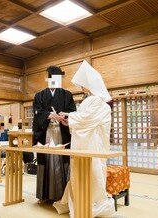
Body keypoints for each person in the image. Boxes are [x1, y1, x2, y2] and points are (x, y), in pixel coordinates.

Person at [53, 60, 116, 217]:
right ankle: (82, 202)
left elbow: (85, 119)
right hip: (84, 142)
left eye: (83, 85)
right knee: (81, 174)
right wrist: (69, 119)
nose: (81, 88)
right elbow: (82, 119)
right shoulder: (93, 99)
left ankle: (91, 205)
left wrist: (70, 117)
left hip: (92, 144)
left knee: (93, 174)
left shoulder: (97, 100)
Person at [32, 65, 76, 203]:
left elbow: (72, 111)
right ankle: (44, 195)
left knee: (62, 160)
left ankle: (63, 195)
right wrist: (49, 115)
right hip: (46, 131)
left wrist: (65, 116)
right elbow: (37, 112)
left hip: (61, 132)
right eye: (53, 78)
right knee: (46, 159)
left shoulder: (67, 94)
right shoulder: (39, 95)